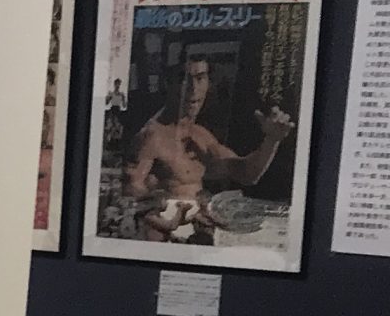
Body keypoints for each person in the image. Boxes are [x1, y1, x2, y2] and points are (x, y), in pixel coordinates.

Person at [121, 51, 292, 242]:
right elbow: (132, 196)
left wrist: (272, 140)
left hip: (194, 235)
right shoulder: (150, 136)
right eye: (185, 79)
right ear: (168, 83)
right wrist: (168, 221)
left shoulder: (201, 136)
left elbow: (247, 173)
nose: (193, 88)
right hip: (162, 240)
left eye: (200, 78)